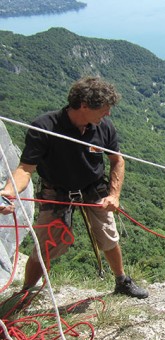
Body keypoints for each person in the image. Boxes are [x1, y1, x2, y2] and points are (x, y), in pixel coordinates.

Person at [0, 76, 148, 299]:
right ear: (84, 105)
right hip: (57, 191)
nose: (108, 114)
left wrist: (114, 195)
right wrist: (8, 192)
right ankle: (25, 293)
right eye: (105, 109)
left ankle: (121, 280)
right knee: (46, 246)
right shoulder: (45, 127)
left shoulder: (103, 126)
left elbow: (117, 160)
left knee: (108, 236)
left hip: (93, 189)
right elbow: (25, 169)